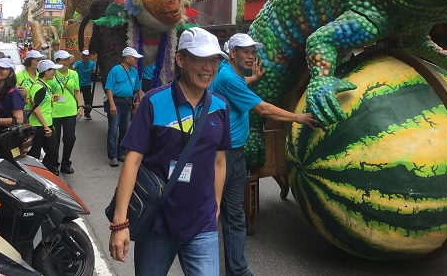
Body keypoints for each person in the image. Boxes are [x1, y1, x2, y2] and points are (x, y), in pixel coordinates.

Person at [109, 27, 232, 275]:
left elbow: (219, 161)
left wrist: (216, 205)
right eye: (199, 59)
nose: (207, 67)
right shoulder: (153, 102)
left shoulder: (220, 107)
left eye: (213, 60)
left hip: (202, 225)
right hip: (156, 222)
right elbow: (132, 162)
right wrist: (120, 223)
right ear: (180, 60)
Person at [210, 33, 318, 276]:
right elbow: (262, 108)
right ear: (233, 53)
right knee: (216, 214)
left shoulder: (229, 74)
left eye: (253, 51)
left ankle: (237, 270)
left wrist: (254, 78)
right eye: (245, 51)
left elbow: (238, 85)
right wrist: (297, 117)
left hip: (234, 154)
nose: (251, 56)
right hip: (223, 157)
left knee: (234, 215)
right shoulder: (229, 78)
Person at [105, 47, 144, 167]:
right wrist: (112, 104)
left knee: (125, 129)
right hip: (117, 102)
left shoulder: (134, 72)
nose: (136, 60)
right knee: (113, 130)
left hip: (128, 103)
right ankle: (113, 156)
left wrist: (142, 101)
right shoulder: (115, 70)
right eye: (134, 58)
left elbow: (138, 89)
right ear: (127, 58)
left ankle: (121, 153)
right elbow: (109, 88)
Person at [48, 50, 83, 175]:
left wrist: (80, 106)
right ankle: (54, 164)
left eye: (68, 59)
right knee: (54, 140)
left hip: (70, 111)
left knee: (70, 138)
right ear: (57, 61)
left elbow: (77, 91)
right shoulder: (51, 74)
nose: (67, 62)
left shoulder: (74, 74)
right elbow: (47, 93)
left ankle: (65, 163)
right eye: (64, 60)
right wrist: (53, 97)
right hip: (54, 112)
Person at [26, 59, 61, 175]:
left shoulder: (44, 85)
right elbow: (36, 108)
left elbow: (42, 103)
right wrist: (46, 126)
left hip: (45, 124)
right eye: (53, 70)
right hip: (39, 126)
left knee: (51, 152)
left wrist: (52, 99)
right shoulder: (37, 86)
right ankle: (37, 174)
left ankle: (40, 174)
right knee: (38, 153)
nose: (54, 72)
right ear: (46, 71)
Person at [16, 50, 46, 122]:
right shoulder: (18, 76)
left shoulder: (41, 76)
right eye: (37, 60)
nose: (39, 63)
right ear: (29, 61)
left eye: (40, 60)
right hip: (25, 114)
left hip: (41, 113)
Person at [73, 49, 96, 120]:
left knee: (88, 100)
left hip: (87, 84)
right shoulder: (78, 63)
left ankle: (87, 113)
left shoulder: (92, 63)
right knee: (76, 99)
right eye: (84, 56)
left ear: (89, 57)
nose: (86, 57)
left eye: (87, 56)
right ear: (82, 57)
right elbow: (73, 67)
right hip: (78, 84)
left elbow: (94, 70)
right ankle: (75, 113)